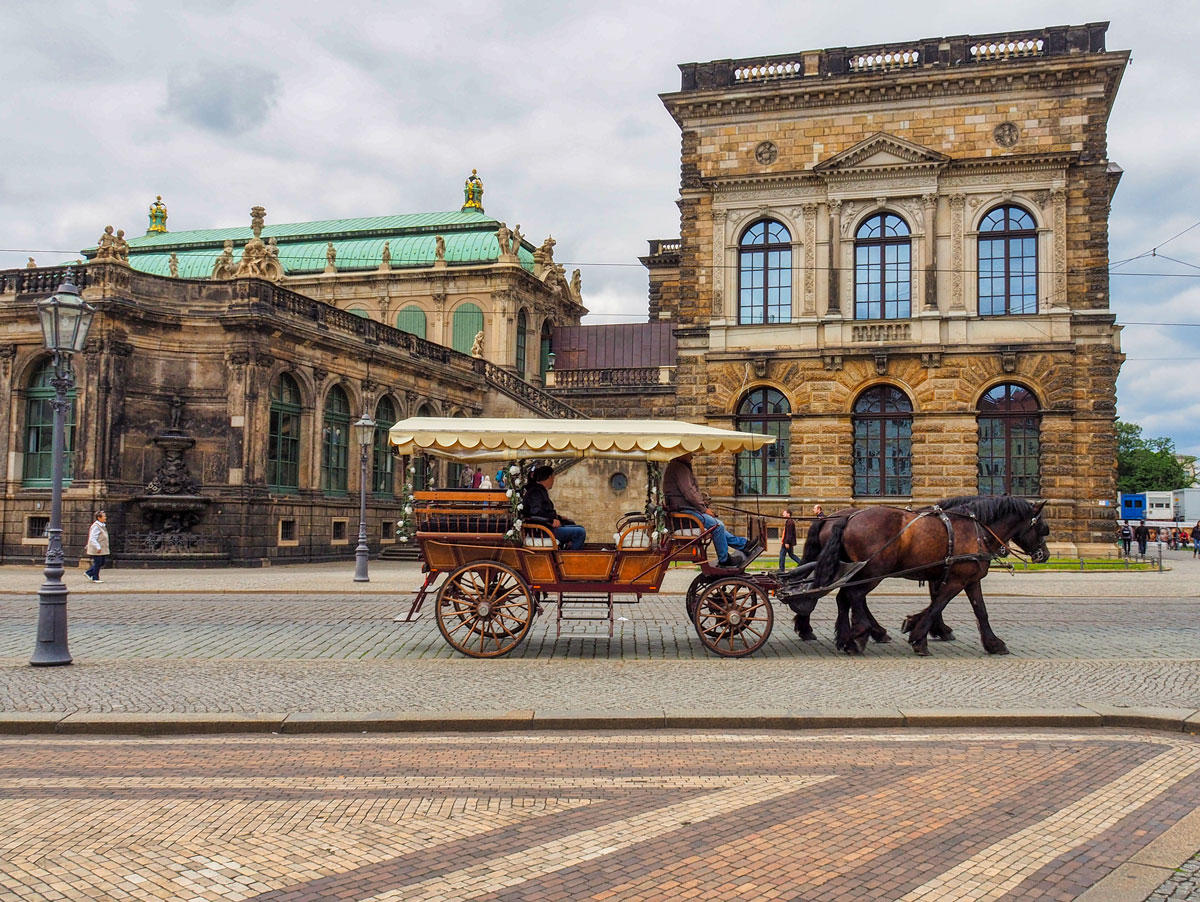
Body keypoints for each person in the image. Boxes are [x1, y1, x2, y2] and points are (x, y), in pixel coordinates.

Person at [662, 452, 757, 568]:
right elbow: (690, 493)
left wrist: (703, 505)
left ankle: (743, 545)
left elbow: (691, 493)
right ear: (682, 454)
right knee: (718, 526)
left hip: (685, 512)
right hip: (685, 514)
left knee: (717, 526)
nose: (692, 456)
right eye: (690, 453)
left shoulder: (677, 466)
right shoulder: (679, 468)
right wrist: (704, 509)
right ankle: (724, 559)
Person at [522, 465, 585, 549]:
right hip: (543, 530)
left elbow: (544, 511)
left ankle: (566, 551)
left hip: (546, 527)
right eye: (553, 478)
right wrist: (551, 520)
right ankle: (570, 559)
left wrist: (558, 517)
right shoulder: (536, 492)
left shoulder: (539, 490)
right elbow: (535, 512)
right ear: (548, 477)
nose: (553, 481)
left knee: (578, 527)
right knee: (580, 532)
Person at [84, 510, 110, 582]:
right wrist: (98, 547)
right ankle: (95, 577)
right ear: (99, 517)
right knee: (98, 562)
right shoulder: (96, 526)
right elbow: (93, 538)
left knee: (101, 562)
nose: (105, 517)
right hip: (97, 548)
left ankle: (89, 573)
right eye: (104, 516)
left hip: (102, 548)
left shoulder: (102, 525)